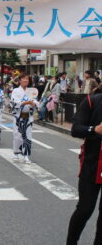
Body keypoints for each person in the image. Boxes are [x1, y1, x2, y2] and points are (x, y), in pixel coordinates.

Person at [66, 93, 102, 245]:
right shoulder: (92, 100)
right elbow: (76, 129)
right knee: (85, 209)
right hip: (93, 163)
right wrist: (95, 129)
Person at [10, 73, 39, 164]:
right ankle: (16, 153)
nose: (26, 80)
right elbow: (14, 102)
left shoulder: (31, 91)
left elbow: (36, 101)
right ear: (20, 80)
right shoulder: (16, 90)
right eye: (24, 78)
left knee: (28, 136)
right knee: (17, 135)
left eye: (27, 79)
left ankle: (26, 155)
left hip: (28, 116)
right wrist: (26, 102)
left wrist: (34, 103)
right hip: (19, 116)